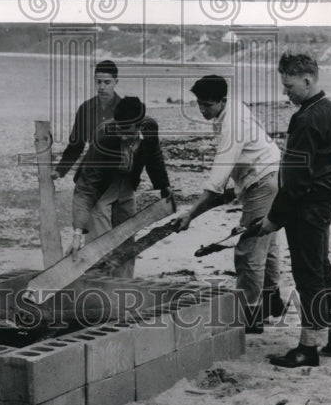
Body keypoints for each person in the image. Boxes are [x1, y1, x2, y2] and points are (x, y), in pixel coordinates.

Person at [255, 52, 331, 368]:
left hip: (308, 206)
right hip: (325, 202)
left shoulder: (307, 118)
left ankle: (308, 348)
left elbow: (295, 181)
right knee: (321, 268)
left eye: (289, 85)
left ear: (307, 80)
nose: (286, 92)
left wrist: (273, 219)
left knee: (308, 274)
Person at [177, 75, 285, 333]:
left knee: (248, 251)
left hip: (263, 180)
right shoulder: (230, 109)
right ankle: (272, 303)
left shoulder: (232, 125)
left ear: (222, 100)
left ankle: (251, 315)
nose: (202, 109)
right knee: (266, 246)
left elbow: (215, 183)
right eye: (199, 104)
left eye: (207, 105)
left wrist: (190, 215)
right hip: (271, 173)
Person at [66, 96, 174, 277]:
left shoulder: (149, 128)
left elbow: (153, 156)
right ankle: (96, 287)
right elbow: (86, 187)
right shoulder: (103, 135)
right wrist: (78, 232)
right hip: (100, 186)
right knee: (100, 242)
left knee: (126, 236)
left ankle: (124, 285)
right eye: (119, 129)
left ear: (140, 125)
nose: (122, 135)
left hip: (127, 183)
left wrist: (164, 186)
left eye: (127, 131)